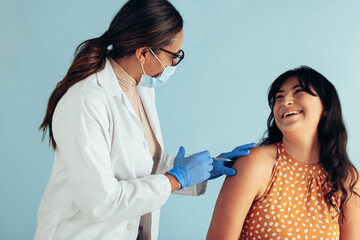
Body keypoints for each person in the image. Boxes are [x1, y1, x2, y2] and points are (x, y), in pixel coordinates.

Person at [35, 0, 255, 239]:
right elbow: (100, 202)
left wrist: (206, 168)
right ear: (143, 53)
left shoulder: (140, 87)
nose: (173, 64)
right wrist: (176, 179)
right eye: (174, 55)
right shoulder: (86, 101)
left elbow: (137, 166)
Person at [207, 66, 360, 239]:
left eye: (299, 92)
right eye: (279, 97)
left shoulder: (347, 178)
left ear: (326, 106)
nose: (284, 101)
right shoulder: (255, 164)